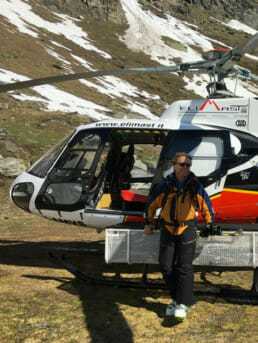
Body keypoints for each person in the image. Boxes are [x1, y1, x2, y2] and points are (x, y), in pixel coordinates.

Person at [144, 152, 215, 321]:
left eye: (188, 165)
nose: (185, 168)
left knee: (184, 268)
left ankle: (181, 304)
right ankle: (180, 299)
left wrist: (210, 224)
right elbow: (152, 204)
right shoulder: (165, 184)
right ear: (174, 165)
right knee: (166, 266)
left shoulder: (194, 185)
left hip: (187, 229)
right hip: (167, 229)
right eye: (182, 164)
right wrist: (149, 223)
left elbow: (206, 205)